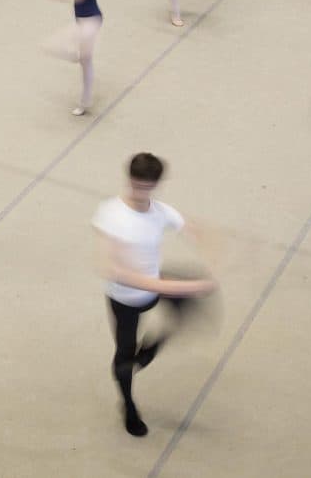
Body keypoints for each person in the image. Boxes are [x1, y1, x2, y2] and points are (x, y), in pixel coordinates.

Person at [93, 153, 218, 437]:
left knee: (189, 311)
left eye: (147, 187)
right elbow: (115, 271)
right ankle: (128, 405)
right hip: (125, 298)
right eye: (136, 185)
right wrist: (188, 287)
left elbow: (194, 231)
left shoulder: (161, 212)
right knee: (125, 357)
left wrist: (212, 260)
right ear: (129, 180)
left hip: (154, 282)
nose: (140, 193)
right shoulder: (110, 215)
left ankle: (153, 346)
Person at [37, 0, 105, 116]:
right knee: (85, 61)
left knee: (56, 48)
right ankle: (85, 100)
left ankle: (84, 101)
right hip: (85, 19)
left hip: (88, 21)